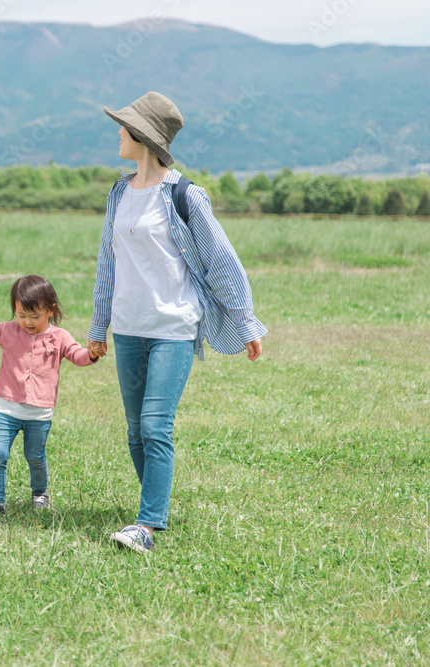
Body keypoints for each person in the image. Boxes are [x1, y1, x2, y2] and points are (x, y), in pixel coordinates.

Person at [88, 91, 266, 553]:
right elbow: (108, 265)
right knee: (133, 428)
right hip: (128, 327)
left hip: (173, 328)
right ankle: (153, 505)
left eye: (124, 126)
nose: (118, 132)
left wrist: (245, 321)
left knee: (155, 425)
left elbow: (221, 262)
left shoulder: (185, 195)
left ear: (143, 137)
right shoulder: (118, 192)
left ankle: (146, 525)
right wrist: (97, 326)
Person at [0, 275, 99, 519]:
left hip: (39, 413)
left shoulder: (60, 336)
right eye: (21, 315)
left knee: (35, 456)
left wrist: (91, 353)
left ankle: (40, 492)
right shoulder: (7, 330)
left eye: (35, 316)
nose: (27, 322)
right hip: (6, 408)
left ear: (50, 311)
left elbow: (78, 356)